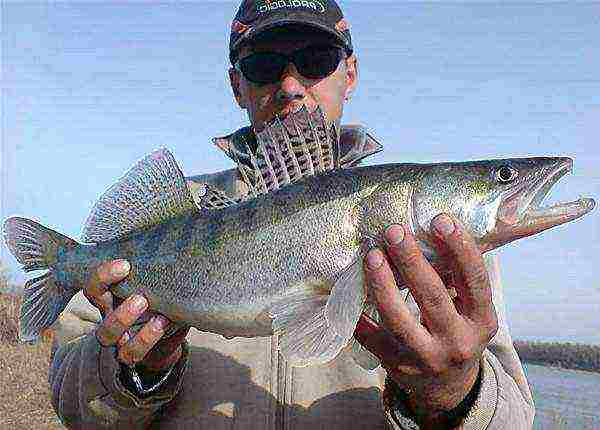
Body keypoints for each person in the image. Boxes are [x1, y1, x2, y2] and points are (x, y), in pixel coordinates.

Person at [48, 1, 535, 429]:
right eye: (263, 65)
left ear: (351, 72)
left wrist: (455, 393)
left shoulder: (454, 257)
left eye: (315, 60)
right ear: (238, 86)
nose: (289, 85)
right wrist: (134, 371)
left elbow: (514, 419)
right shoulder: (177, 214)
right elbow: (74, 407)